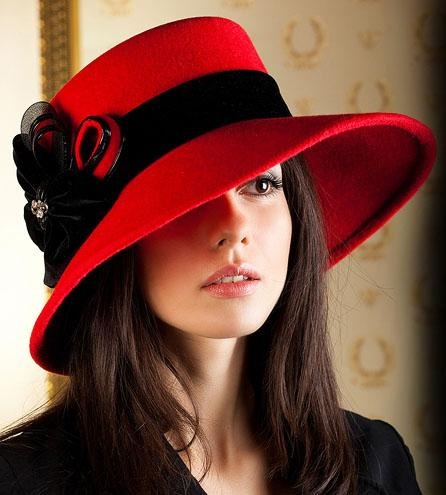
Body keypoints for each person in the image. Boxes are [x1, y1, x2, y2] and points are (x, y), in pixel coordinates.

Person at [0, 15, 436, 495]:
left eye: (262, 184)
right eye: (188, 197)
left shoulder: (376, 462)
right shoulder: (24, 482)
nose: (235, 227)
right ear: (118, 250)